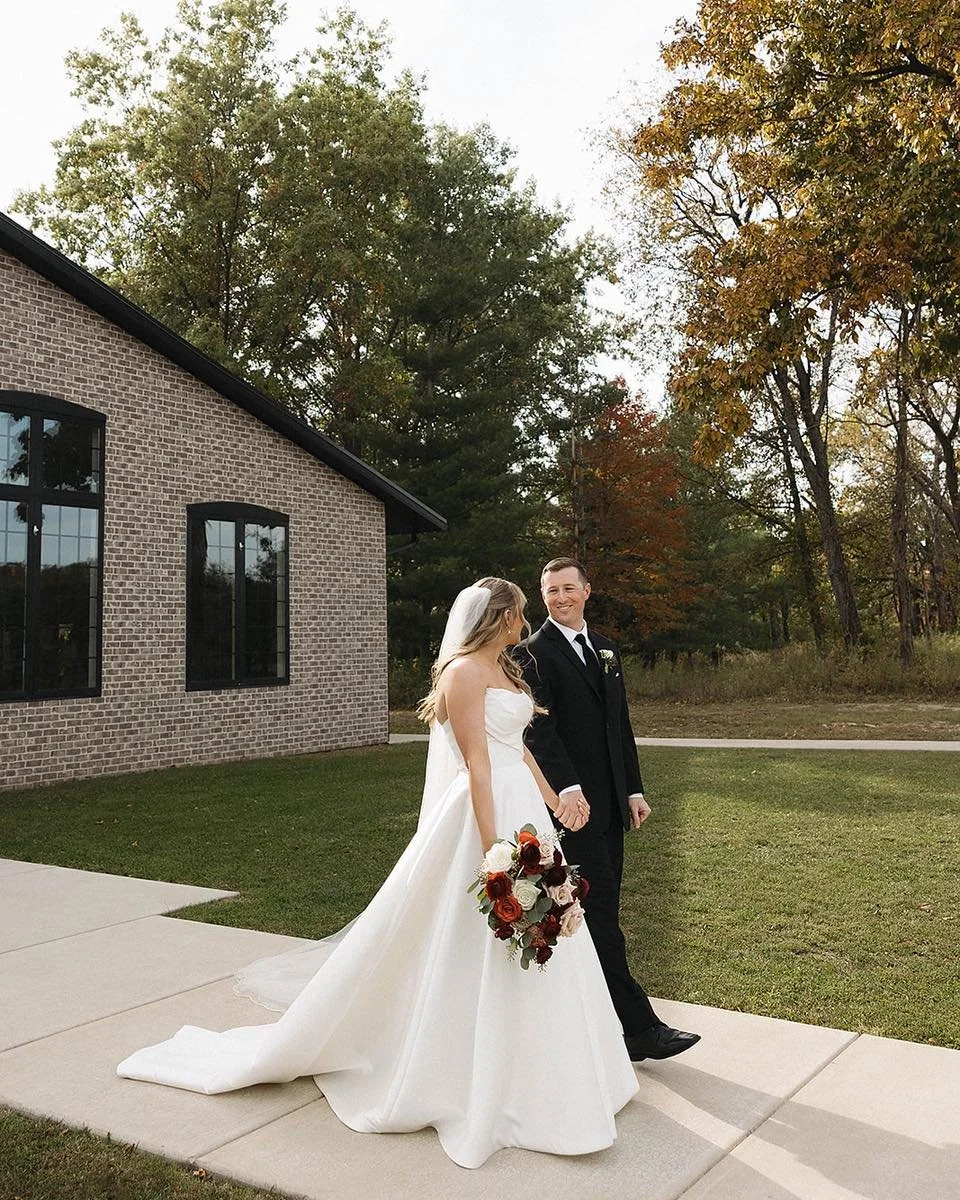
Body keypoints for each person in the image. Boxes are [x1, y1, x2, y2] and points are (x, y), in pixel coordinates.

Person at [117, 578, 638, 1169]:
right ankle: (466, 1070)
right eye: (518, 615)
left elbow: (518, 748)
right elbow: (477, 765)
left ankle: (563, 1069)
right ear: (496, 618)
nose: (524, 624)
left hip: (524, 808)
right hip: (486, 817)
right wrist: (497, 849)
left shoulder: (507, 671)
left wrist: (551, 800)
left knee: (545, 930)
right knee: (474, 936)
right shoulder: (464, 673)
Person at [518, 557, 700, 1062]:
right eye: (551, 590)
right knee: (597, 913)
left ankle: (589, 1017)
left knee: (600, 910)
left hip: (611, 808)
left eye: (568, 588)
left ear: (587, 591)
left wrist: (633, 791)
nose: (560, 597)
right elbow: (540, 731)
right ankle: (639, 1029)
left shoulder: (606, 650)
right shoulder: (532, 654)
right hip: (571, 809)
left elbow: (618, 726)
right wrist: (568, 789)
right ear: (543, 596)